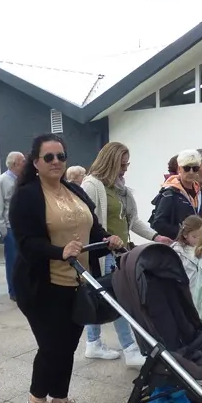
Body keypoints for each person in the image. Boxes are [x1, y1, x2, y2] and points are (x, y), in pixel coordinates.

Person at [10, 133, 124, 403]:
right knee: (52, 346)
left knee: (69, 344)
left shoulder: (74, 189)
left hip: (79, 283)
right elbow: (26, 242)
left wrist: (107, 239)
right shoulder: (27, 195)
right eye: (48, 157)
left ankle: (59, 400)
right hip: (42, 286)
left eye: (61, 156)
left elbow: (93, 228)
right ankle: (36, 400)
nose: (56, 162)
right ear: (35, 162)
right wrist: (58, 251)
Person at [80, 141, 173, 367]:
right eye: (122, 164)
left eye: (127, 164)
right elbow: (87, 222)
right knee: (118, 299)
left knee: (104, 296)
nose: (125, 169)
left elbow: (133, 221)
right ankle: (130, 349)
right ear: (110, 162)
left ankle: (93, 343)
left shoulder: (120, 188)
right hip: (103, 253)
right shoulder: (92, 185)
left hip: (120, 252)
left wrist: (156, 237)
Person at [149, 149, 202, 239]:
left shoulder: (200, 192)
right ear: (179, 169)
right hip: (176, 244)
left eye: (195, 169)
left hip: (196, 244)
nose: (191, 172)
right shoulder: (169, 193)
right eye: (186, 168)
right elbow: (157, 224)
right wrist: (183, 233)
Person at [0, 151, 25, 302]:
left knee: (23, 260)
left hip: (23, 228)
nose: (25, 163)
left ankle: (23, 288)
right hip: (10, 228)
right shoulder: (2, 181)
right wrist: (4, 231)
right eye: (22, 161)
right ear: (14, 164)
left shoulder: (22, 180)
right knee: (13, 261)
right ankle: (14, 291)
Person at [172, 214, 202, 284]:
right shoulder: (177, 252)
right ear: (185, 234)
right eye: (194, 237)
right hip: (183, 289)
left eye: (201, 237)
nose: (198, 240)